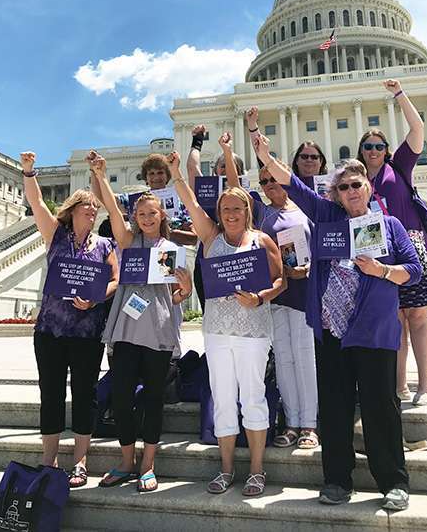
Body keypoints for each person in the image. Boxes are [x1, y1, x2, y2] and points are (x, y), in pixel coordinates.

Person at [254, 134, 422, 511]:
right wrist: (264, 153)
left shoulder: (390, 225)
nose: (350, 191)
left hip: (374, 330)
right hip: (333, 331)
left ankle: (394, 481)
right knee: (334, 408)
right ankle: (336, 480)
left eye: (356, 185)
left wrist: (382, 270)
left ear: (368, 187)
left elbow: (412, 270)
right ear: (336, 194)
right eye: (343, 187)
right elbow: (292, 184)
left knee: (381, 407)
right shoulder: (327, 217)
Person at [167, 149, 283, 497]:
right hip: (217, 332)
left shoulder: (261, 239)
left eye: (237, 208)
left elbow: (281, 280)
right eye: (225, 208)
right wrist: (176, 173)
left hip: (253, 331)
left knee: (253, 397)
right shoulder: (210, 237)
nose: (231, 213)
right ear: (218, 213)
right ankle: (227, 468)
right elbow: (189, 202)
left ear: (248, 211)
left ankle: (258, 470)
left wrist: (260, 297)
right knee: (222, 399)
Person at [91, 155, 192, 493]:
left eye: (153, 213)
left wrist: (186, 289)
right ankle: (125, 461)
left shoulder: (171, 248)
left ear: (162, 215)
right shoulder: (128, 242)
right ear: (135, 216)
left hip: (159, 332)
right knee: (120, 398)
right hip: (125, 330)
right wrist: (101, 175)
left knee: (152, 399)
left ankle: (148, 465)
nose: (147, 218)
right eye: (142, 214)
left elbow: (176, 297)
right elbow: (112, 211)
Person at [20, 152, 119, 488]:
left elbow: (116, 279)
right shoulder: (56, 236)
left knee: (84, 394)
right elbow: (36, 203)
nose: (92, 212)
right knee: (50, 393)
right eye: (86, 207)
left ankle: (79, 461)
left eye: (95, 209)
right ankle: (49, 460)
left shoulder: (105, 244)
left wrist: (97, 296)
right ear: (73, 210)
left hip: (87, 332)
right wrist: (30, 171)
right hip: (50, 331)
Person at [225, 123, 319, 450]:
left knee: (306, 357)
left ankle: (310, 423)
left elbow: (321, 246)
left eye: (271, 180)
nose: (267, 186)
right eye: (263, 182)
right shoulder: (263, 213)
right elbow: (236, 191)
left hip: (305, 293)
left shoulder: (308, 207)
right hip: (277, 294)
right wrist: (228, 151)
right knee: (285, 359)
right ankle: (292, 422)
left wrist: (308, 269)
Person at [356, 79, 427, 406]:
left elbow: (417, 127)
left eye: (378, 146)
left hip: (412, 245)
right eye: (368, 147)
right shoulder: (357, 181)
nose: (373, 151)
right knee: (394, 318)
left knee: (417, 314)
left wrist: (399, 94)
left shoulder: (398, 166)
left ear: (386, 150)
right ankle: (399, 385)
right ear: (361, 152)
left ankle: (425, 386)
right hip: (378, 254)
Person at [186, 124, 250, 312]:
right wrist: (197, 140)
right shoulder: (207, 191)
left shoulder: (245, 195)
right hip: (207, 262)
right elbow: (191, 168)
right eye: (223, 165)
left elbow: (234, 183)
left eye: (233, 166)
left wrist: (227, 152)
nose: (227, 169)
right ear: (215, 170)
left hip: (239, 261)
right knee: (211, 318)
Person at [89, 151, 197, 247]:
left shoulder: (180, 202)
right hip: (141, 255)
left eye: (160, 173)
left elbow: (193, 238)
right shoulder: (136, 200)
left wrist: (165, 232)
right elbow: (104, 199)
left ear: (167, 176)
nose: (156, 177)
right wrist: (95, 171)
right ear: (146, 178)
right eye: (151, 174)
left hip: (171, 258)